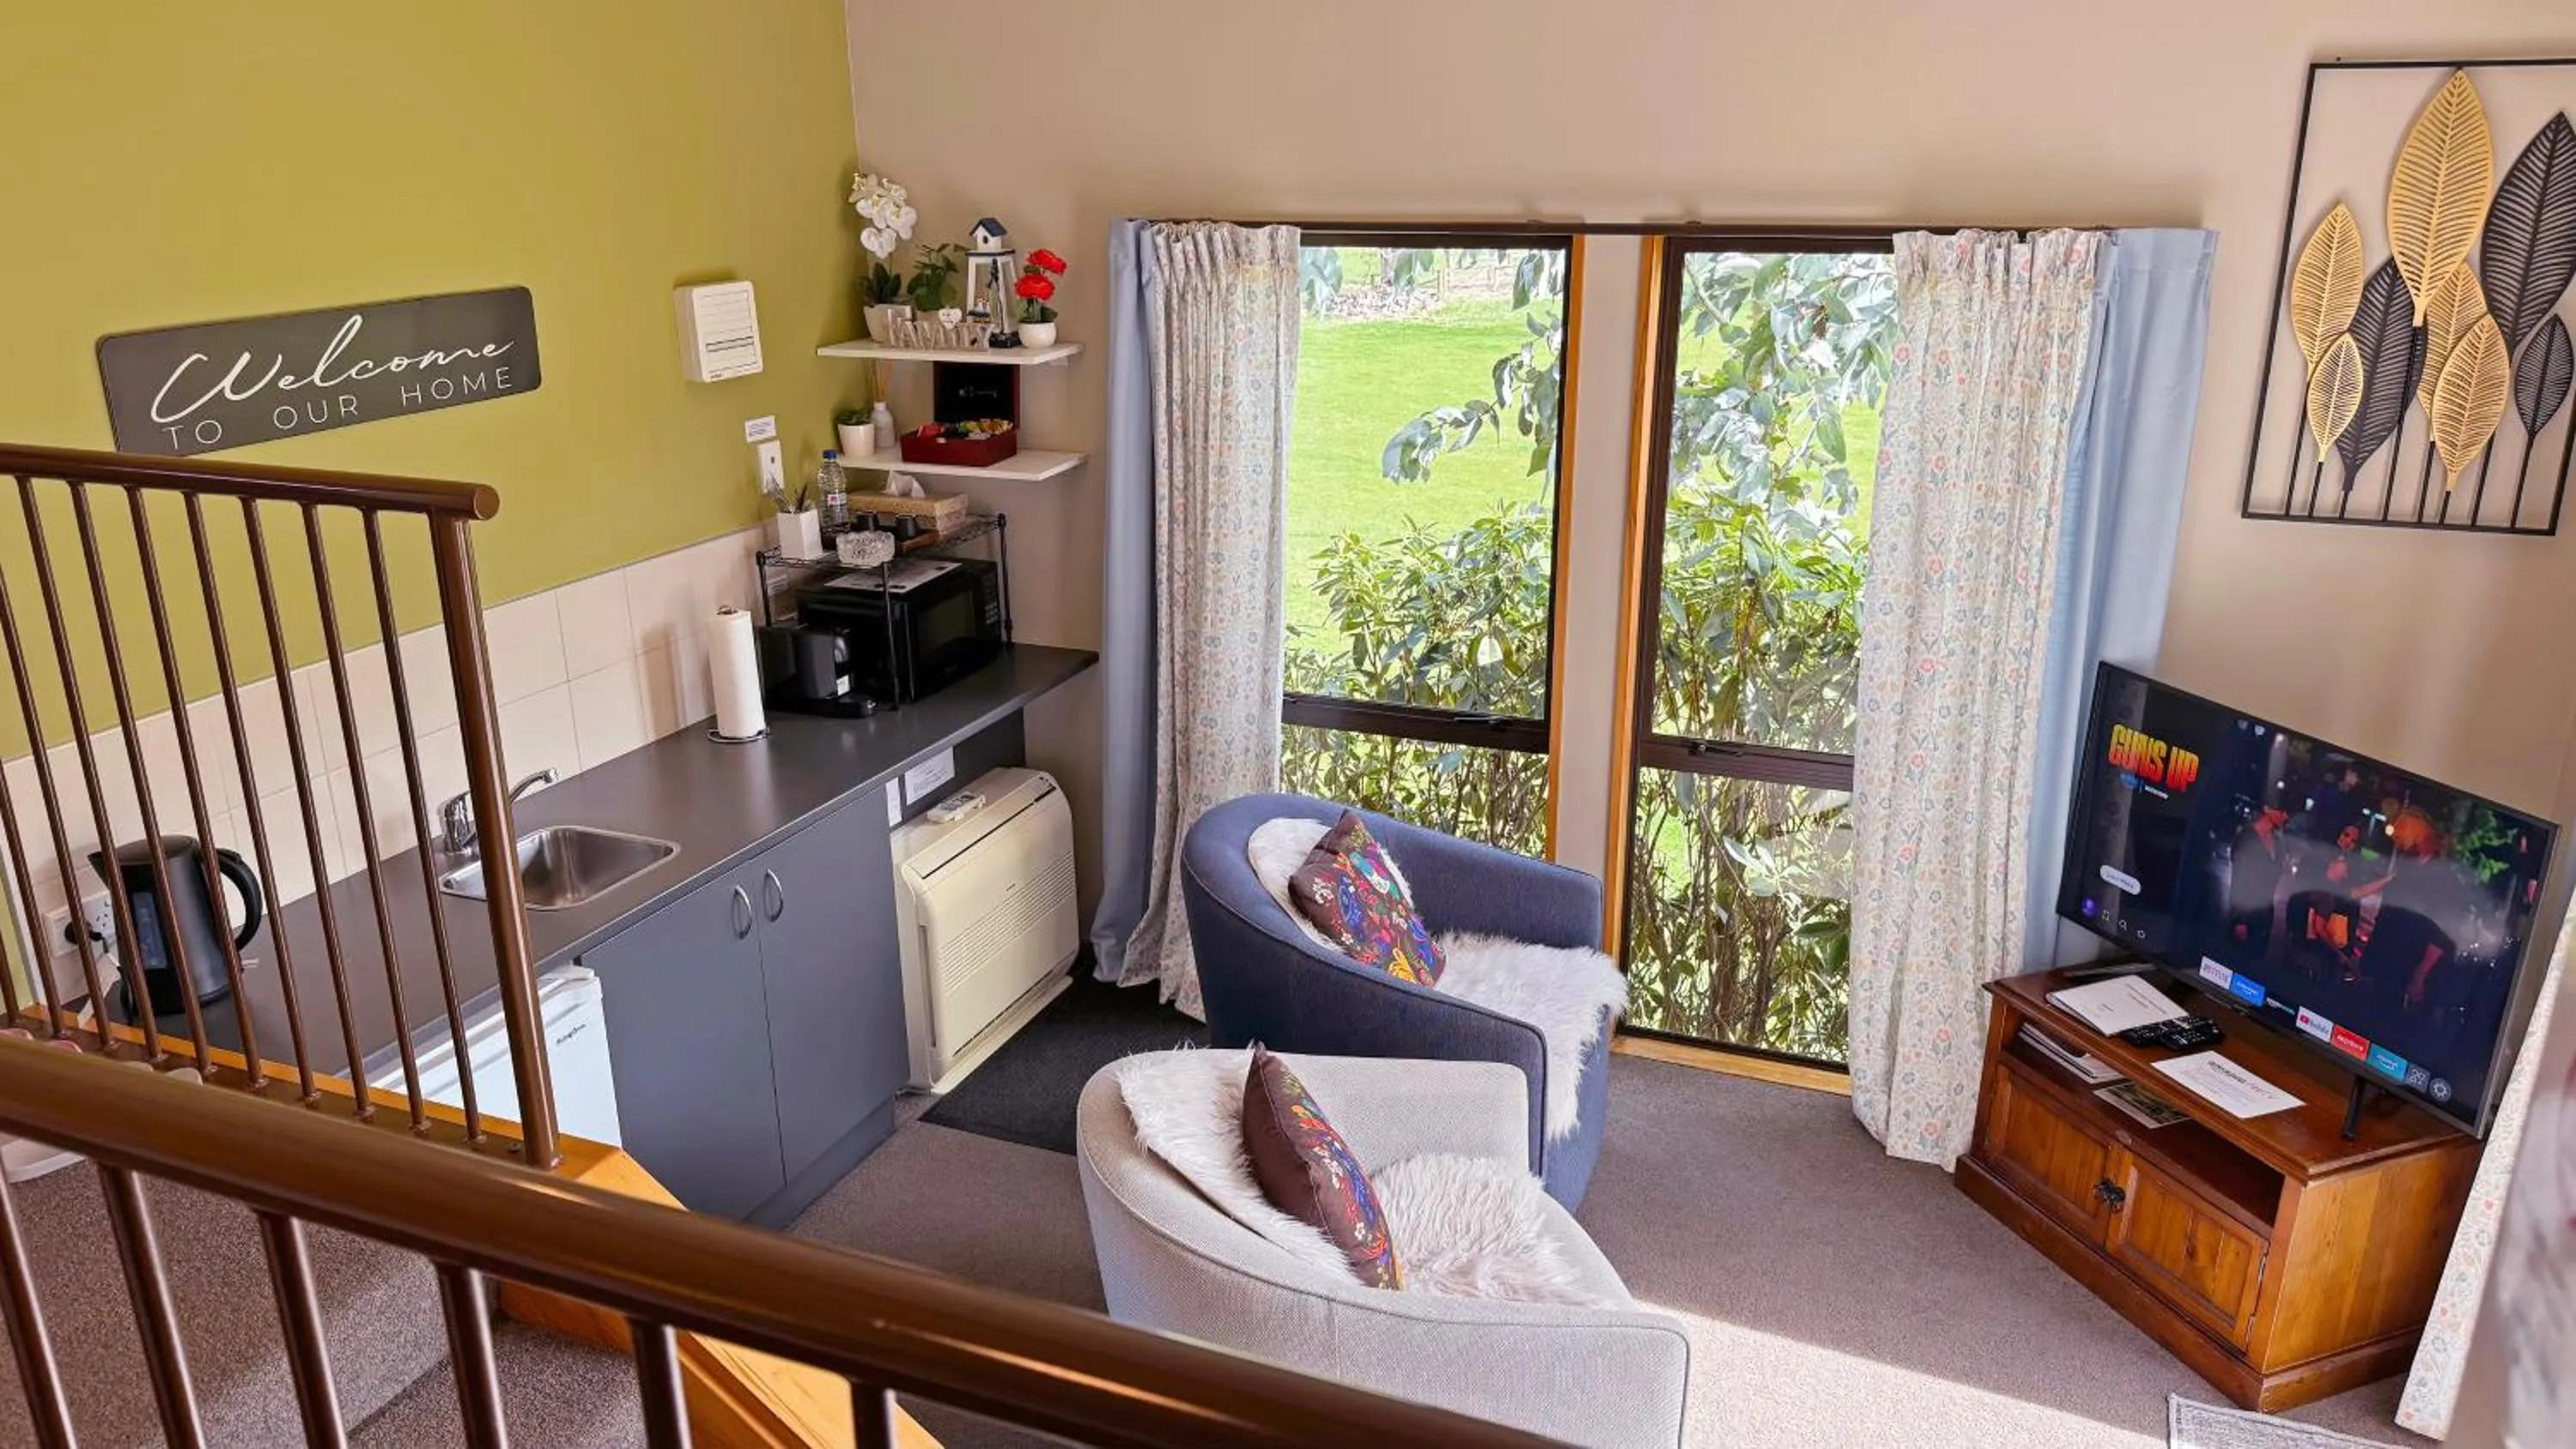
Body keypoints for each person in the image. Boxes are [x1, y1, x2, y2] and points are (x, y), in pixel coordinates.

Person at [2226, 802, 2293, 967]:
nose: (2286, 817)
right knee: (2237, 963)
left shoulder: (2278, 843)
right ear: (2267, 809)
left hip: (2265, 915)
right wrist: (2239, 919)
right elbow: (2239, 880)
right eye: (2282, 811)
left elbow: (2275, 875)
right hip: (2246, 915)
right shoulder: (2246, 838)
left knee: (2254, 966)